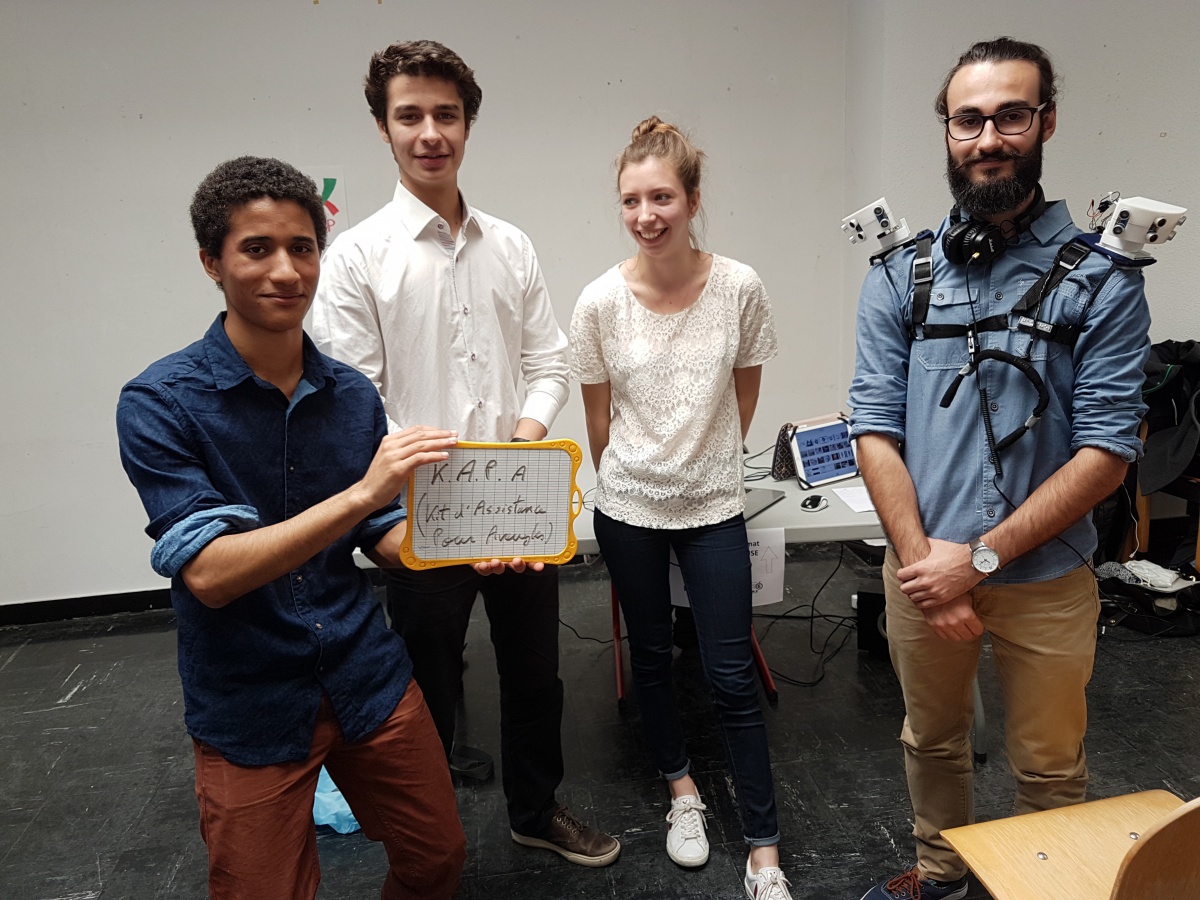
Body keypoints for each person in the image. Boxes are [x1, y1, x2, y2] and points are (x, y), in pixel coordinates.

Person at [115, 156, 479, 900]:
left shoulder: (351, 396)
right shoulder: (160, 402)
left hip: (366, 675)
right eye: (257, 249)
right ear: (211, 261)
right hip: (249, 698)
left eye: (302, 248)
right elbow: (211, 574)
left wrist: (469, 547)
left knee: (437, 858)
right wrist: (362, 494)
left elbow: (384, 534)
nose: (286, 271)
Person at [848, 38, 1152, 900]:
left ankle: (1039, 888)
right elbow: (872, 429)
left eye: (1011, 116)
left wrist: (976, 560)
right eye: (969, 119)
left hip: (1046, 578)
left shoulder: (1103, 280)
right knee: (930, 740)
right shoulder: (900, 275)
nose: (989, 138)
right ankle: (942, 873)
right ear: (947, 130)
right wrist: (927, 567)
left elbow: (1106, 452)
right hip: (921, 572)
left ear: (1045, 122)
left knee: (1049, 765)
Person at [309, 40, 619, 867]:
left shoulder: (509, 245)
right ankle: (429, 838)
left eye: (445, 114)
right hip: (422, 518)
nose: (429, 133)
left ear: (467, 125)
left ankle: (535, 811)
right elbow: (352, 402)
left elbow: (549, 363)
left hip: (520, 506)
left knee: (536, 676)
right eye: (409, 115)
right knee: (425, 686)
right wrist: (432, 493)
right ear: (383, 128)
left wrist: (519, 451)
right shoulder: (356, 258)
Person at [570, 116, 791, 900]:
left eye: (661, 197)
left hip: (713, 507)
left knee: (730, 674)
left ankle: (765, 851)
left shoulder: (739, 287)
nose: (646, 215)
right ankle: (682, 790)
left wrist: (701, 461)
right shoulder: (599, 301)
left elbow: (744, 396)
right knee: (653, 657)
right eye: (631, 200)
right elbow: (598, 422)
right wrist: (635, 480)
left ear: (693, 200)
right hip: (627, 506)